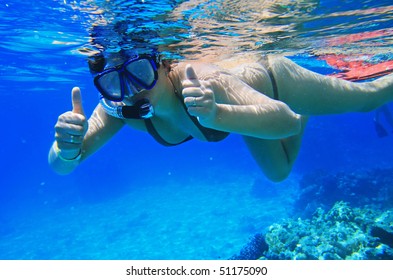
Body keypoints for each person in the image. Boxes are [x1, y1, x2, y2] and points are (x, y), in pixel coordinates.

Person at [48, 50, 393, 182]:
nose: (131, 88)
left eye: (139, 71)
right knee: (279, 172)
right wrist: (64, 149)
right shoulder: (118, 104)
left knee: (369, 97)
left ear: (163, 63)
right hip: (250, 113)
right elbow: (62, 166)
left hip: (274, 81)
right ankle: (310, 112)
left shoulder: (203, 79)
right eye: (113, 80)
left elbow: (283, 120)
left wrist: (218, 112)